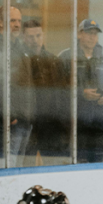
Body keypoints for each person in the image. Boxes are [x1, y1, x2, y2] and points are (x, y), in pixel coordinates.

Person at [59, 18, 103, 164]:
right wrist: (81, 94)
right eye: (88, 33)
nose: (92, 37)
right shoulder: (66, 58)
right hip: (74, 128)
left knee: (96, 170)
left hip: (97, 128)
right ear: (79, 34)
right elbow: (57, 89)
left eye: (95, 34)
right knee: (74, 171)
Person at [0, 6, 33, 167]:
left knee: (16, 172)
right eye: (12, 20)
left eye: (19, 20)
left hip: (23, 120)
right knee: (5, 171)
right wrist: (10, 115)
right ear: (0, 23)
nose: (18, 24)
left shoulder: (19, 47)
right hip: (8, 122)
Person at [21, 19, 68, 163]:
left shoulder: (54, 61)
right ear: (24, 37)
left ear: (43, 36)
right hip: (28, 123)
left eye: (38, 35)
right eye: (30, 36)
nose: (35, 40)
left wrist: (62, 123)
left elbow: (62, 94)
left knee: (52, 168)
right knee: (25, 166)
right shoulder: (19, 59)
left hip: (51, 125)